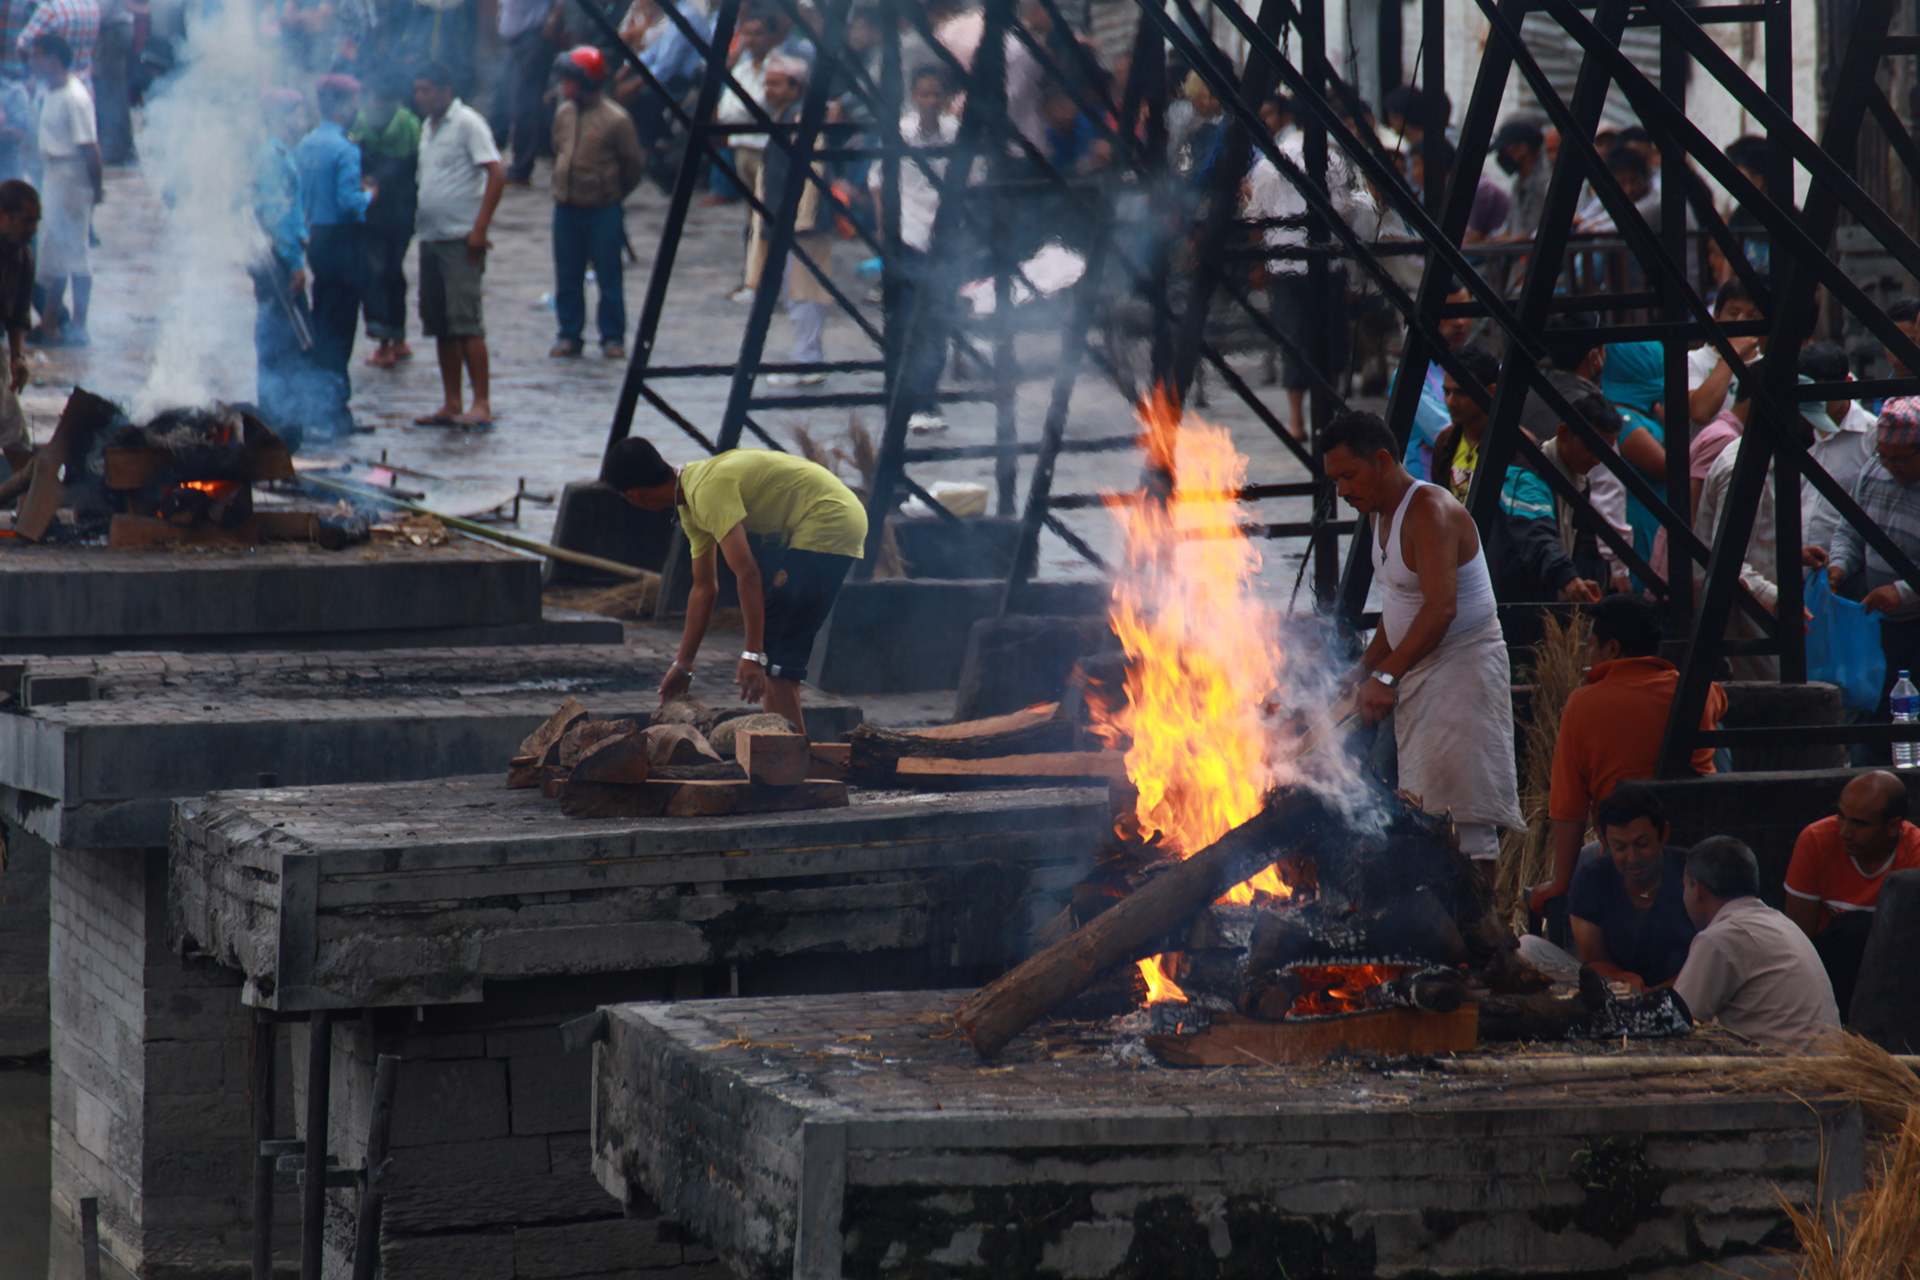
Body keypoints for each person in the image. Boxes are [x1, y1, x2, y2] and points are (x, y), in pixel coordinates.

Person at [1322, 409, 1524, 865]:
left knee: (1466, 817)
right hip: (1418, 668)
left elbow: (1440, 609)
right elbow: (1400, 612)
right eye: (1336, 480)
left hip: (1462, 669)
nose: (1343, 491)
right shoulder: (1378, 514)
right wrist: (1364, 669)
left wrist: (1387, 679)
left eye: (1348, 476)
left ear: (1381, 460)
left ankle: (1481, 929)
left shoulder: (1429, 511)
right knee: (1421, 807)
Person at [605, 437, 868, 737]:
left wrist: (752, 655)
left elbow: (748, 574)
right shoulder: (691, 502)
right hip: (827, 520)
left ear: (634, 495)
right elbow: (704, 589)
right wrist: (684, 664)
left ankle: (791, 765)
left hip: (829, 518)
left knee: (775, 658)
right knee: (774, 658)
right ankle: (777, 752)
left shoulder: (706, 492)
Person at [1530, 594, 1726, 916]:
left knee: (1587, 861)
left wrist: (1559, 882)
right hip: (1698, 854)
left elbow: (1569, 810)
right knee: (1719, 743)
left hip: (1624, 858)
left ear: (1613, 649)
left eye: (1591, 645)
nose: (1589, 655)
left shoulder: (1581, 706)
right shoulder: (1700, 693)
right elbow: (1721, 698)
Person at [1247, 118, 1372, 441]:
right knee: (1328, 338)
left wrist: (1259, 260)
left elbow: (1256, 215)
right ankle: (1325, 416)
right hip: (1325, 264)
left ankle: (1297, 420)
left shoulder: (1271, 160)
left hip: (1285, 265)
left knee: (1294, 339)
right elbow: (1348, 213)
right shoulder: (1334, 160)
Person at [1674, 836, 1840, 1052]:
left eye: (1685, 885)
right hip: (1829, 1069)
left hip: (1789, 1079)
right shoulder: (1781, 923)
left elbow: (1676, 1022)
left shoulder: (1721, 937)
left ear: (1698, 890)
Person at [411, 60, 504, 429]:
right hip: (431, 237)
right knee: (440, 324)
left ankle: (481, 402)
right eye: (417, 90)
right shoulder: (427, 128)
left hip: (459, 237)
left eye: (426, 90)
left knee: (466, 322)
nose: (419, 97)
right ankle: (451, 402)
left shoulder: (467, 123)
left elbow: (496, 173)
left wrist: (479, 228)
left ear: (445, 91)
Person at [1826, 398, 1920, 758]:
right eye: (1886, 457)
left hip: (1913, 622)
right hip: (1879, 624)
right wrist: (1839, 565)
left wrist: (1903, 591)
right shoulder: (1873, 471)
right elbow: (1851, 528)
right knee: (1876, 716)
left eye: (1902, 459)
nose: (1892, 467)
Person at [1784, 771, 1920, 1017]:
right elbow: (1798, 941)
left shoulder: (1915, 853)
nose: (1844, 832)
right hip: (1827, 975)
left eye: (1858, 823)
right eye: (1841, 816)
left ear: (1892, 826)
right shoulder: (1815, 840)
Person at [869, 63, 957, 432]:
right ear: (913, 96)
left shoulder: (957, 134)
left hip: (945, 238)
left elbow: (973, 181)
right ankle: (903, 396)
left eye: (937, 94)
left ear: (947, 98)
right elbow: (878, 181)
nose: (930, 101)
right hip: (906, 233)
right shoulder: (899, 133)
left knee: (935, 323)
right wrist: (881, 226)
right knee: (904, 321)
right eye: (924, 94)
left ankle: (927, 399)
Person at [547, 45, 643, 360]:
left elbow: (632, 166)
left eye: (569, 80)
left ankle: (612, 337)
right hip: (566, 207)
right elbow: (557, 149)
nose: (564, 87)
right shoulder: (564, 113)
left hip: (603, 210)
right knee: (568, 275)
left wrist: (609, 192)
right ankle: (569, 334)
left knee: (609, 276)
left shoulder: (616, 120)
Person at [296, 73, 376, 440]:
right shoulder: (345, 149)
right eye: (353, 103)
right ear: (343, 106)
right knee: (340, 328)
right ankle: (334, 409)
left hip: (316, 239)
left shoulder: (307, 144)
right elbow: (349, 205)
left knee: (324, 319)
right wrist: (369, 196)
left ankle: (316, 405)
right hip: (343, 241)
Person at [750, 54, 834, 388]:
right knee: (791, 291)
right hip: (783, 219)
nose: (768, 90)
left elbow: (815, 172)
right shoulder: (783, 118)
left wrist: (804, 217)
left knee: (805, 291)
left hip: (803, 223)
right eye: (767, 82)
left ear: (794, 87)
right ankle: (806, 356)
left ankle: (809, 360)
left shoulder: (805, 121)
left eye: (775, 83)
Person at [1567, 785, 1697, 992]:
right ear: (1604, 839)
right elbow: (1593, 959)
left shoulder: (1693, 872)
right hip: (1620, 992)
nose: (1632, 858)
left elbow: (1713, 954)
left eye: (1642, 844)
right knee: (1530, 946)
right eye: (1619, 847)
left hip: (1689, 989)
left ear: (1663, 834)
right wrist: (1622, 978)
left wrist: (1660, 993)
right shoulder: (1591, 878)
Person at [251, 88, 315, 445]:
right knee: (283, 339)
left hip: (278, 256)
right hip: (278, 259)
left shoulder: (279, 153)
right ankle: (280, 421)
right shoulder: (273, 157)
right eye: (295, 114)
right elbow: (280, 218)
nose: (301, 122)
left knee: (283, 336)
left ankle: (284, 419)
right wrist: (295, 263)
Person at [28, 35, 98, 348]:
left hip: (72, 179)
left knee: (76, 254)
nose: (33, 62)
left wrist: (97, 190)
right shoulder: (50, 92)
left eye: (38, 56)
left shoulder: (75, 97)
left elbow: (89, 148)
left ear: (54, 60)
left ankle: (79, 326)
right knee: (54, 253)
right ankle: (51, 322)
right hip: (55, 179)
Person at [352, 69, 421, 370]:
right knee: (395, 272)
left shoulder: (361, 122)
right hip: (403, 211)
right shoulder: (411, 124)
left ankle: (383, 344)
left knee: (375, 275)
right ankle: (399, 339)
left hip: (375, 212)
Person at [1796, 341, 1876, 563]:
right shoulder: (1792, 432)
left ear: (1848, 383)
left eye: (1825, 395)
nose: (1817, 405)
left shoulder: (1871, 437)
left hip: (1845, 571)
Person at [490, 0, 555, 185]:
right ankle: (501, 154)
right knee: (504, 98)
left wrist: (553, 20)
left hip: (532, 37)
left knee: (525, 103)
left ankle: (521, 167)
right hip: (511, 39)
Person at [0, 178, 37, 473]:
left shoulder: (24, 258)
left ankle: (29, 507)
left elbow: (18, 316)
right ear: (3, 216)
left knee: (13, 428)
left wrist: (17, 356)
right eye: (26, 222)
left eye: (36, 222)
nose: (32, 230)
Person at [1688, 281, 1762, 426]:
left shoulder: (1765, 364)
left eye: (1751, 316)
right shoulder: (1693, 360)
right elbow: (1701, 412)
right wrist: (1732, 353)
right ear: (1717, 316)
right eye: (1733, 314)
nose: (1741, 321)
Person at [1491, 117, 1549, 243]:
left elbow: (1530, 234)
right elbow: (1510, 230)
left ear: (1522, 148)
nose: (1501, 156)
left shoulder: (1543, 182)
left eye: (1504, 150)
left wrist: (1491, 244)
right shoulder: (1518, 183)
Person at [15, 0, 96, 87]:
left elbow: (24, 45)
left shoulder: (52, 9)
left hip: (55, 87)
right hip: (83, 87)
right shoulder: (91, 5)